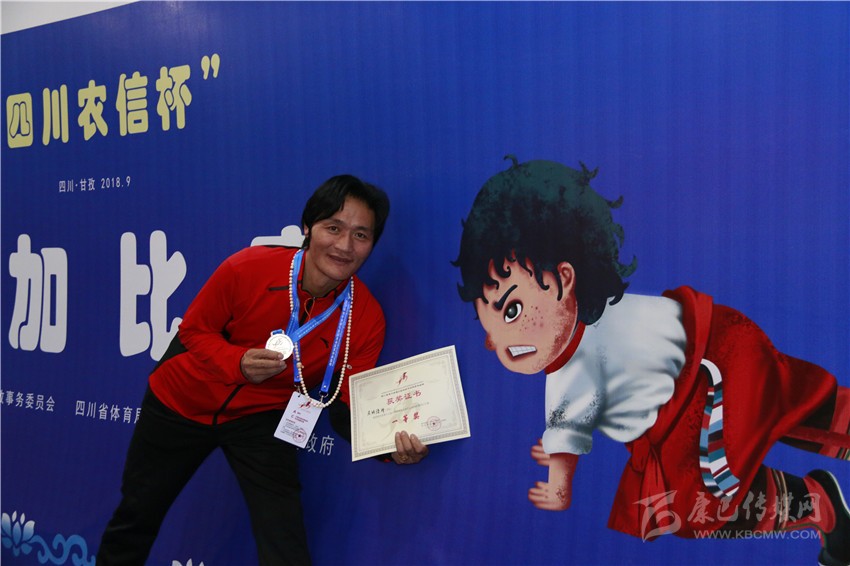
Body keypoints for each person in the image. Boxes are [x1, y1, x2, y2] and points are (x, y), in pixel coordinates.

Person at [453, 157, 850, 565]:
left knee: (699, 501)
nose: (496, 341)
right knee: (794, 398)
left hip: (707, 384)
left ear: (564, 278)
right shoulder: (602, 312)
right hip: (724, 340)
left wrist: (557, 486)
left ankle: (817, 504)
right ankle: (822, 496)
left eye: (512, 311)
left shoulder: (571, 376)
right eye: (487, 322)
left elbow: (565, 443)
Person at [98, 174, 429, 566]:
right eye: (333, 228)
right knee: (137, 516)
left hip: (261, 419)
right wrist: (237, 362)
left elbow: (345, 404)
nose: (344, 246)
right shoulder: (247, 267)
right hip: (180, 402)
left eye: (361, 235)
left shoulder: (366, 317)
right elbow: (193, 331)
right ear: (307, 227)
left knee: (285, 543)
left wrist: (389, 448)